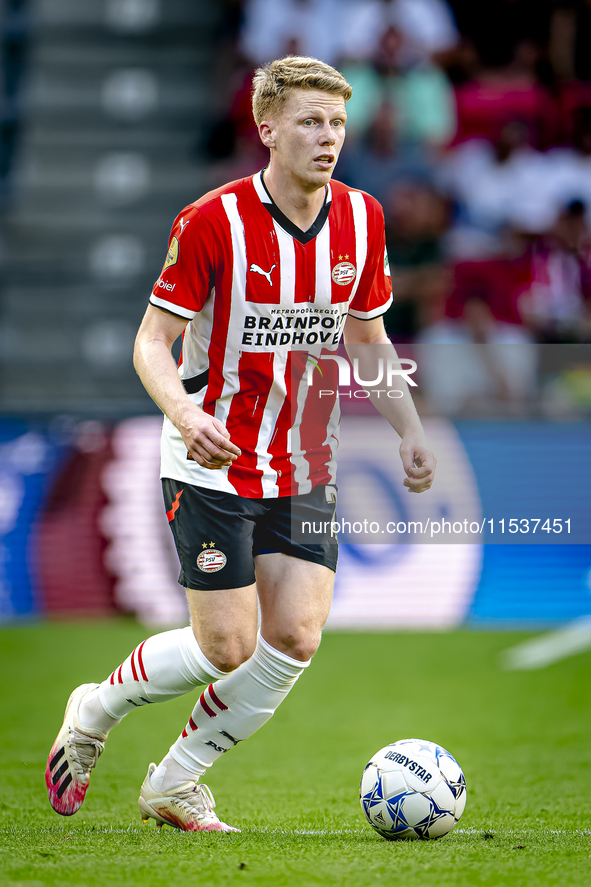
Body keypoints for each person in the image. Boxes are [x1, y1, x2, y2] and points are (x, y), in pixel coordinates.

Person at [45, 56, 436, 833]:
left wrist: (409, 428)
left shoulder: (362, 219)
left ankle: (174, 781)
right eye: (309, 122)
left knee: (294, 635)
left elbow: (367, 339)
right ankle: (93, 708)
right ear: (267, 129)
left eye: (336, 123)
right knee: (226, 645)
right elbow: (151, 343)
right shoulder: (211, 221)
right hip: (211, 456)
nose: (327, 138)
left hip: (303, 461)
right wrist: (187, 417)